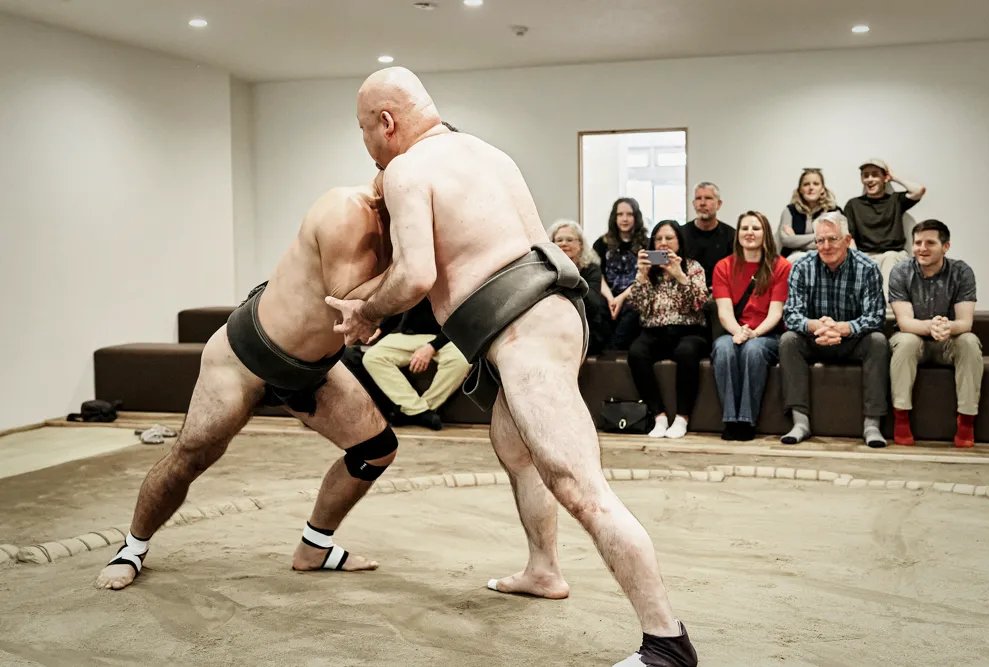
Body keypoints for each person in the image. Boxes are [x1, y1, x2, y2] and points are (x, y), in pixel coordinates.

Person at [330, 67, 698, 666]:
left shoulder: (407, 169)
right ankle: (545, 568)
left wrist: (367, 312)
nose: (366, 144)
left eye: (364, 130)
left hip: (524, 333)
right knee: (516, 448)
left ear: (387, 123)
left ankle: (667, 643)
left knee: (581, 487)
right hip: (555, 316)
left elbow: (418, 275)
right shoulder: (485, 152)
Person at [95, 177, 397, 590]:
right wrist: (418, 272)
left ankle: (315, 547)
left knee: (376, 450)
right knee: (190, 457)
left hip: (310, 370)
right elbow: (347, 297)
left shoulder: (411, 235)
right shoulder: (347, 208)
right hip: (245, 356)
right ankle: (132, 547)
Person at [779, 211, 889, 448]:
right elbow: (791, 314)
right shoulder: (801, 266)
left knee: (878, 341)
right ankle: (800, 422)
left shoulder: (867, 268)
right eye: (820, 240)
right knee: (788, 340)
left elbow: (876, 316)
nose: (826, 246)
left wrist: (843, 328)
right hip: (815, 338)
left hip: (852, 340)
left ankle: (872, 424)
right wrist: (816, 325)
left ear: (847, 240)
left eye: (832, 239)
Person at [888, 219, 981, 447]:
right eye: (918, 242)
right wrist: (931, 326)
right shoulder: (901, 270)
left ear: (945, 247)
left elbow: (965, 322)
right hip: (915, 337)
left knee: (969, 341)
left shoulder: (962, 271)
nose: (922, 248)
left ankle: (966, 422)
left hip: (948, 340)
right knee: (906, 342)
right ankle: (901, 419)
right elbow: (904, 322)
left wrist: (948, 327)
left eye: (930, 243)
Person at [626, 220, 710, 440]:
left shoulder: (693, 267)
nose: (663, 243)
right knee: (636, 352)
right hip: (655, 330)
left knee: (686, 352)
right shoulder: (649, 270)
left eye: (669, 238)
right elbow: (637, 306)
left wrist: (679, 275)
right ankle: (659, 415)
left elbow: (699, 303)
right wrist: (642, 275)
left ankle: (682, 418)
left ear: (679, 242)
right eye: (658, 239)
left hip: (689, 330)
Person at [712, 212, 792, 441]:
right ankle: (730, 419)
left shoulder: (781, 266)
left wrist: (753, 333)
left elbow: (776, 313)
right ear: (737, 234)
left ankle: (746, 420)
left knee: (753, 350)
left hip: (766, 333)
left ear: (765, 233)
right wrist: (738, 332)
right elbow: (725, 312)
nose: (750, 233)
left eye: (756, 228)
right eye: (744, 228)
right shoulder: (723, 266)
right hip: (734, 331)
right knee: (723, 348)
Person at [362, 297, 471, 430]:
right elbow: (401, 303)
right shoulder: (416, 279)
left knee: (461, 360)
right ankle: (420, 411)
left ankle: (414, 410)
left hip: (445, 337)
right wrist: (382, 328)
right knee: (373, 356)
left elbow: (462, 319)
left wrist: (432, 347)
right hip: (409, 335)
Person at [843, 159, 926, 298]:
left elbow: (918, 190)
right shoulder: (853, 205)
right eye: (866, 175)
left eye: (875, 174)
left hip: (894, 254)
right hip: (867, 256)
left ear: (884, 178)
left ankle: (887, 312)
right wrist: (856, 261)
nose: (870, 179)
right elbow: (850, 237)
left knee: (889, 258)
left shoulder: (895, 200)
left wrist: (894, 178)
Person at [550, 219, 612, 355]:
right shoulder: (546, 269)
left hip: (587, 328)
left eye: (569, 240)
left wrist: (571, 275)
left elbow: (593, 304)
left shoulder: (592, 269)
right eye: (559, 240)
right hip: (554, 326)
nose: (564, 244)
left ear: (580, 244)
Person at [593, 197, 648, 350]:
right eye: (620, 214)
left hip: (633, 292)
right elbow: (598, 273)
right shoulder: (601, 243)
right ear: (614, 217)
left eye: (629, 214)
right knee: (598, 307)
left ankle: (615, 349)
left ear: (636, 217)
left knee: (633, 309)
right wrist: (611, 298)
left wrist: (621, 298)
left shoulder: (647, 243)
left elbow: (647, 276)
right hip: (607, 293)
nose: (624, 219)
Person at [777, 168, 841, 262]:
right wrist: (820, 236)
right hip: (793, 260)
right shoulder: (789, 211)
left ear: (822, 188)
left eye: (816, 184)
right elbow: (786, 241)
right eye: (806, 184)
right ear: (800, 189)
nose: (811, 187)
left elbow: (835, 242)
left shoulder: (833, 211)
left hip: (825, 259)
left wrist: (795, 239)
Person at [679, 182, 734, 288]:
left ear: (719, 204)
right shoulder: (681, 234)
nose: (702, 203)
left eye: (708, 198)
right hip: (687, 293)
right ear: (693, 203)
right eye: (698, 198)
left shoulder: (732, 236)